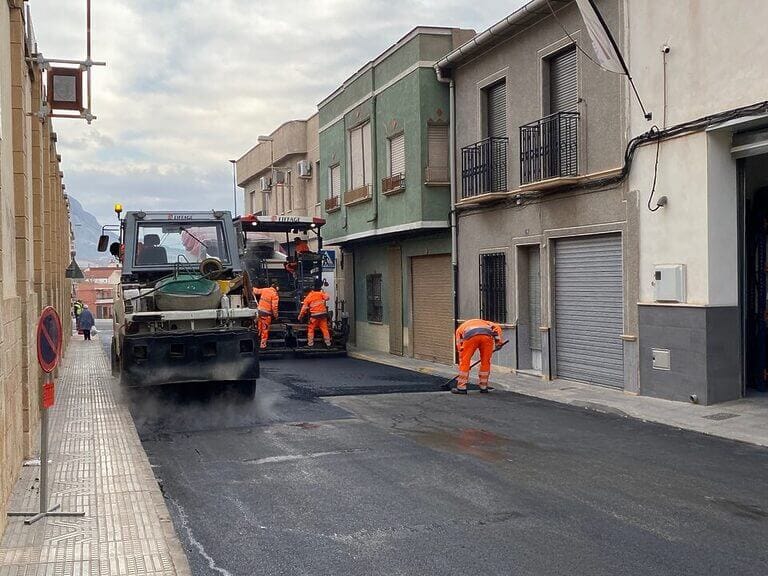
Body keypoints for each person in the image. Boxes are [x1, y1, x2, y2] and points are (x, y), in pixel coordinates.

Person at [452, 318, 503, 394]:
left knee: (465, 361)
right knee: (485, 362)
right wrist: (498, 343)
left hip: (470, 337)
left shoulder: (460, 328)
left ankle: (462, 388)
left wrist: (462, 357)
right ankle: (484, 387)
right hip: (487, 337)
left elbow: (459, 345)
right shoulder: (487, 323)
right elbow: (497, 328)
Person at [298, 279, 331, 347]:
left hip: (314, 317)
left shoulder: (308, 297)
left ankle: (310, 344)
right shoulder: (320, 294)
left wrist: (300, 316)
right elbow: (327, 298)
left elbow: (303, 309)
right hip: (323, 316)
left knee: (311, 329)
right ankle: (328, 344)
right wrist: (323, 291)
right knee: (325, 329)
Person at [252, 279, 279, 349]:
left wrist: (251, 286)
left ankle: (256, 343)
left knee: (259, 328)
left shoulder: (265, 289)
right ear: (276, 288)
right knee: (265, 330)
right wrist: (276, 316)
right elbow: (274, 307)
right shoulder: (275, 294)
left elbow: (256, 291)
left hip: (259, 312)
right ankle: (263, 345)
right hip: (266, 314)